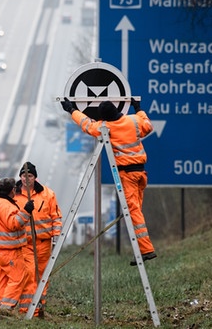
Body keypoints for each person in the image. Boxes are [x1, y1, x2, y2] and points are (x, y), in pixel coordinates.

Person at [60, 98, 157, 266]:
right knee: (137, 211)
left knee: (133, 212)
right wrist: (139, 109)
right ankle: (141, 250)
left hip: (127, 175)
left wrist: (71, 110)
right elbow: (148, 125)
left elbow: (87, 125)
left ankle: (147, 250)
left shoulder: (106, 128)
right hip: (141, 173)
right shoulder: (134, 120)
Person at [14, 162, 63, 317]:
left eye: (30, 176)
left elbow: (56, 217)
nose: (26, 179)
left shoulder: (48, 194)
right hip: (24, 243)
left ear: (35, 177)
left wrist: (56, 238)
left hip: (44, 244)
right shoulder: (14, 195)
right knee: (29, 274)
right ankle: (27, 310)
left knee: (42, 276)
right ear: (20, 177)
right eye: (24, 176)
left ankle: (40, 306)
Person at [0, 177, 35, 316]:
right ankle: (6, 308)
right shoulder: (6, 206)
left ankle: (2, 303)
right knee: (19, 277)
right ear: (12, 189)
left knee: (4, 279)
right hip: (10, 250)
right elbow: (14, 223)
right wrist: (26, 211)